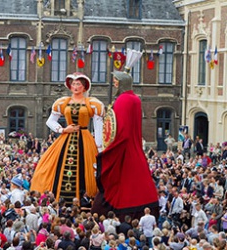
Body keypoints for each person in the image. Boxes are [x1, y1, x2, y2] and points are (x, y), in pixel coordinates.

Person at [92, 49, 159, 219]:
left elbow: (119, 130)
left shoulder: (124, 100)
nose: (114, 83)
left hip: (124, 148)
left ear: (122, 83)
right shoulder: (135, 99)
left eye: (116, 81)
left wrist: (108, 150)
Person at [30, 72, 104, 205]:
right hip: (66, 137)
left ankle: (85, 200)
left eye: (78, 84)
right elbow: (50, 121)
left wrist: (99, 147)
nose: (75, 87)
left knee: (86, 167)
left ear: (84, 87)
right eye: (74, 84)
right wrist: (63, 130)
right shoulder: (63, 102)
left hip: (84, 137)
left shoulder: (92, 103)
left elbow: (98, 126)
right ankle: (57, 198)